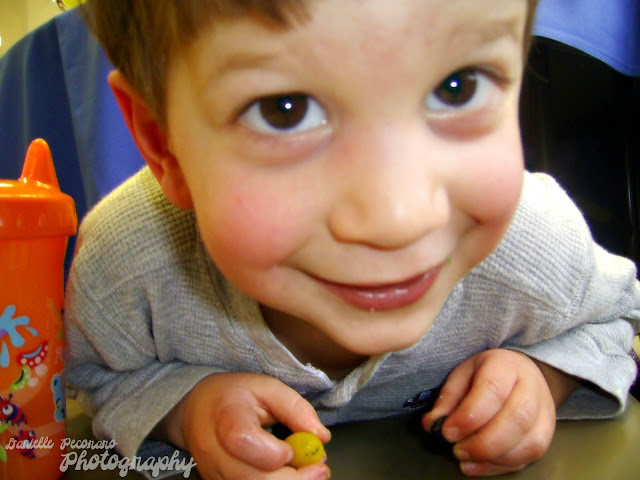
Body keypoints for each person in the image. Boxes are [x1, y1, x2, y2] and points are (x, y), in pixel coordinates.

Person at [64, 1, 640, 479]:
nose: (399, 218)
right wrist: (183, 409)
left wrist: (547, 375)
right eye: (283, 110)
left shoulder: (533, 246)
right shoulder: (125, 271)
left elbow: (613, 319)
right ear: (163, 143)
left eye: (458, 87)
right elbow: (99, 377)